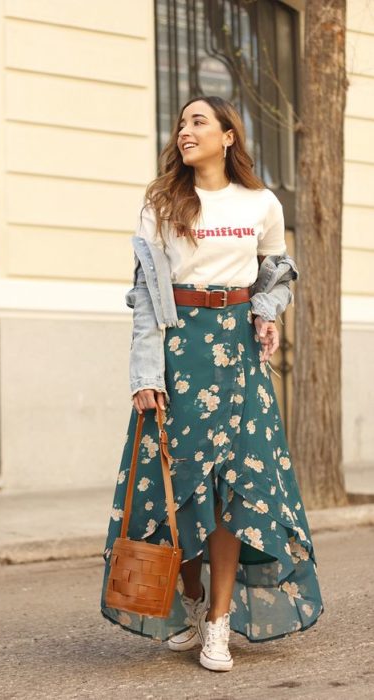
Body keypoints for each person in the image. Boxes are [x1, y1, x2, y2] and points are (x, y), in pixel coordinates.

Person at [100, 95, 324, 672]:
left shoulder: (260, 203)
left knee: (234, 494)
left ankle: (220, 626)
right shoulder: (161, 203)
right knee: (183, 488)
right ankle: (194, 603)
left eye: (197, 122)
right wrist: (146, 373)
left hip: (239, 354)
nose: (184, 131)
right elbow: (146, 297)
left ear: (229, 136)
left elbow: (277, 272)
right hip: (180, 351)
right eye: (180, 123)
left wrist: (266, 311)